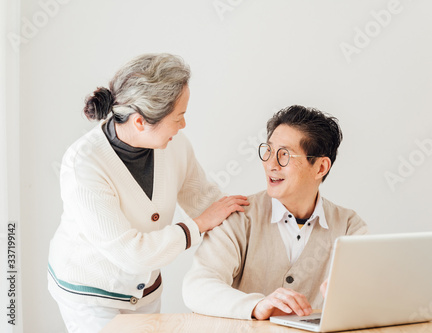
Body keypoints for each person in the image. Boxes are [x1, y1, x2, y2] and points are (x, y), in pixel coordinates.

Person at [47, 53, 248, 332]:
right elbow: (132, 254)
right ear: (140, 122)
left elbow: (205, 201)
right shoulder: (84, 164)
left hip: (146, 292)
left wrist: (253, 224)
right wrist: (198, 226)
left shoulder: (175, 145)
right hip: (92, 295)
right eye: (179, 117)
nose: (183, 125)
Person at [182, 105, 368, 320]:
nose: (270, 164)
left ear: (320, 167)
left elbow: (371, 292)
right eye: (268, 150)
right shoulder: (238, 216)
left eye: (284, 155)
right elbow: (197, 287)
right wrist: (257, 305)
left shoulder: (350, 226)